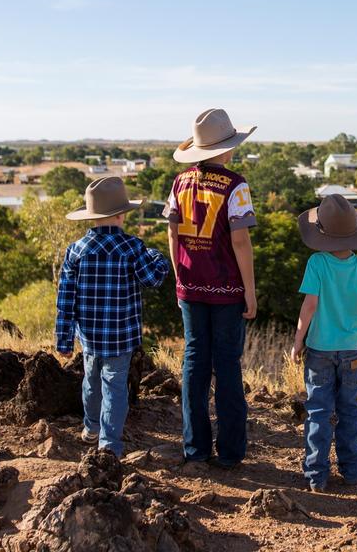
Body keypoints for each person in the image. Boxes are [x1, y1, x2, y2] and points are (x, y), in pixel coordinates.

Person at [166, 108, 259, 469]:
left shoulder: (180, 182)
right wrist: (249, 291)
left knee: (194, 365)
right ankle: (232, 452)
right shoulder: (236, 185)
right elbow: (241, 243)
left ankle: (195, 448)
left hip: (190, 286)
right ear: (227, 148)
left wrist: (179, 277)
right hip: (226, 290)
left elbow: (172, 234)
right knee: (228, 367)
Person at [55, 176, 169, 458]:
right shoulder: (132, 248)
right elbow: (153, 278)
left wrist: (64, 340)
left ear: (92, 217)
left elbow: (65, 299)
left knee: (91, 382)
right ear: (121, 214)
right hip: (122, 335)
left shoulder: (76, 250)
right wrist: (157, 256)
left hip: (90, 336)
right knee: (115, 387)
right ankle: (108, 444)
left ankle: (91, 427)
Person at [290, 194, 357, 492]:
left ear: (321, 233)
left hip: (320, 348)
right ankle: (352, 471)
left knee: (319, 410)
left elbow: (309, 306)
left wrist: (298, 341)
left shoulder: (317, 263)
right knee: (350, 409)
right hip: (353, 349)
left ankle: (316, 476)